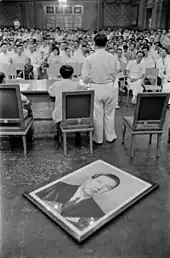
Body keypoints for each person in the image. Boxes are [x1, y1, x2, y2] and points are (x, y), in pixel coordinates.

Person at [81, 33, 117, 145]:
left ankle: (98, 138)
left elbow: (85, 77)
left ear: (94, 44)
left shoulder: (89, 58)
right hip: (109, 86)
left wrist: (89, 80)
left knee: (97, 115)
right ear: (107, 43)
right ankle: (110, 137)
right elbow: (114, 75)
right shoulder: (112, 57)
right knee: (110, 113)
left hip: (96, 87)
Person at [36, 173, 120, 219]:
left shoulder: (97, 214)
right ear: (90, 179)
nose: (99, 187)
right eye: (99, 181)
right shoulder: (58, 186)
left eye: (107, 187)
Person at [48, 65, 79, 139]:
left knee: (58, 109)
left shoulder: (56, 85)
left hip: (60, 116)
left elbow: (51, 93)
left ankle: (58, 132)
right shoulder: (77, 85)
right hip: (75, 115)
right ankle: (78, 133)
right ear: (72, 75)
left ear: (60, 75)